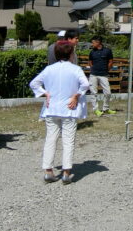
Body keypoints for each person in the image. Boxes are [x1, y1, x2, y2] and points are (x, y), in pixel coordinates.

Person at [29, 41, 90, 184]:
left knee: (50, 139)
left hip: (51, 108)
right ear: (70, 54)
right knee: (68, 140)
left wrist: (45, 93)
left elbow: (34, 83)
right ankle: (66, 173)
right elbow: (86, 84)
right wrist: (76, 95)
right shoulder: (75, 69)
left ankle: (48, 171)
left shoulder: (49, 69)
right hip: (69, 109)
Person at [88, 36, 115, 116]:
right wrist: (92, 68)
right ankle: (96, 110)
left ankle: (105, 108)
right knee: (93, 93)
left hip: (104, 75)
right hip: (93, 75)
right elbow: (90, 62)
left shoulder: (107, 51)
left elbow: (110, 62)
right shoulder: (92, 52)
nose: (92, 44)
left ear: (98, 42)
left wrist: (107, 70)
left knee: (108, 92)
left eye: (93, 43)